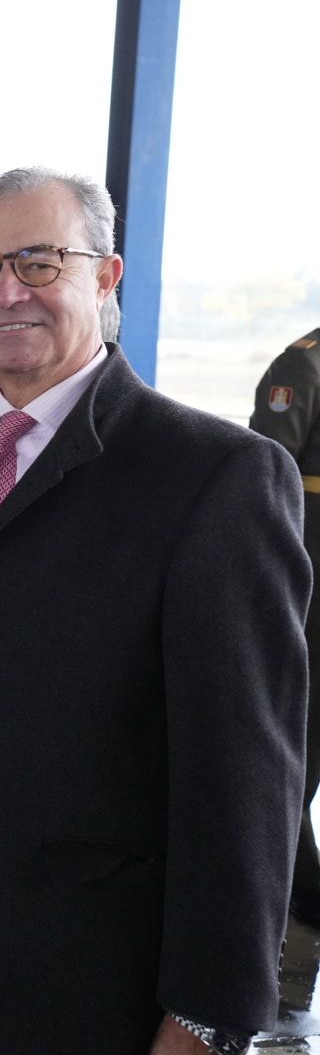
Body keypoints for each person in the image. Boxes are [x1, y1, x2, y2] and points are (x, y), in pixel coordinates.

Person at [0, 167, 308, 1055]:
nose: (7, 292)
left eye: (39, 260)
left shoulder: (212, 477)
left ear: (106, 277)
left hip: (88, 987)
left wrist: (204, 1014)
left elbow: (246, 782)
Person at [251, 329, 320, 931]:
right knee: (297, 735)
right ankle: (297, 891)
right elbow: (270, 476)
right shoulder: (302, 365)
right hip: (313, 573)